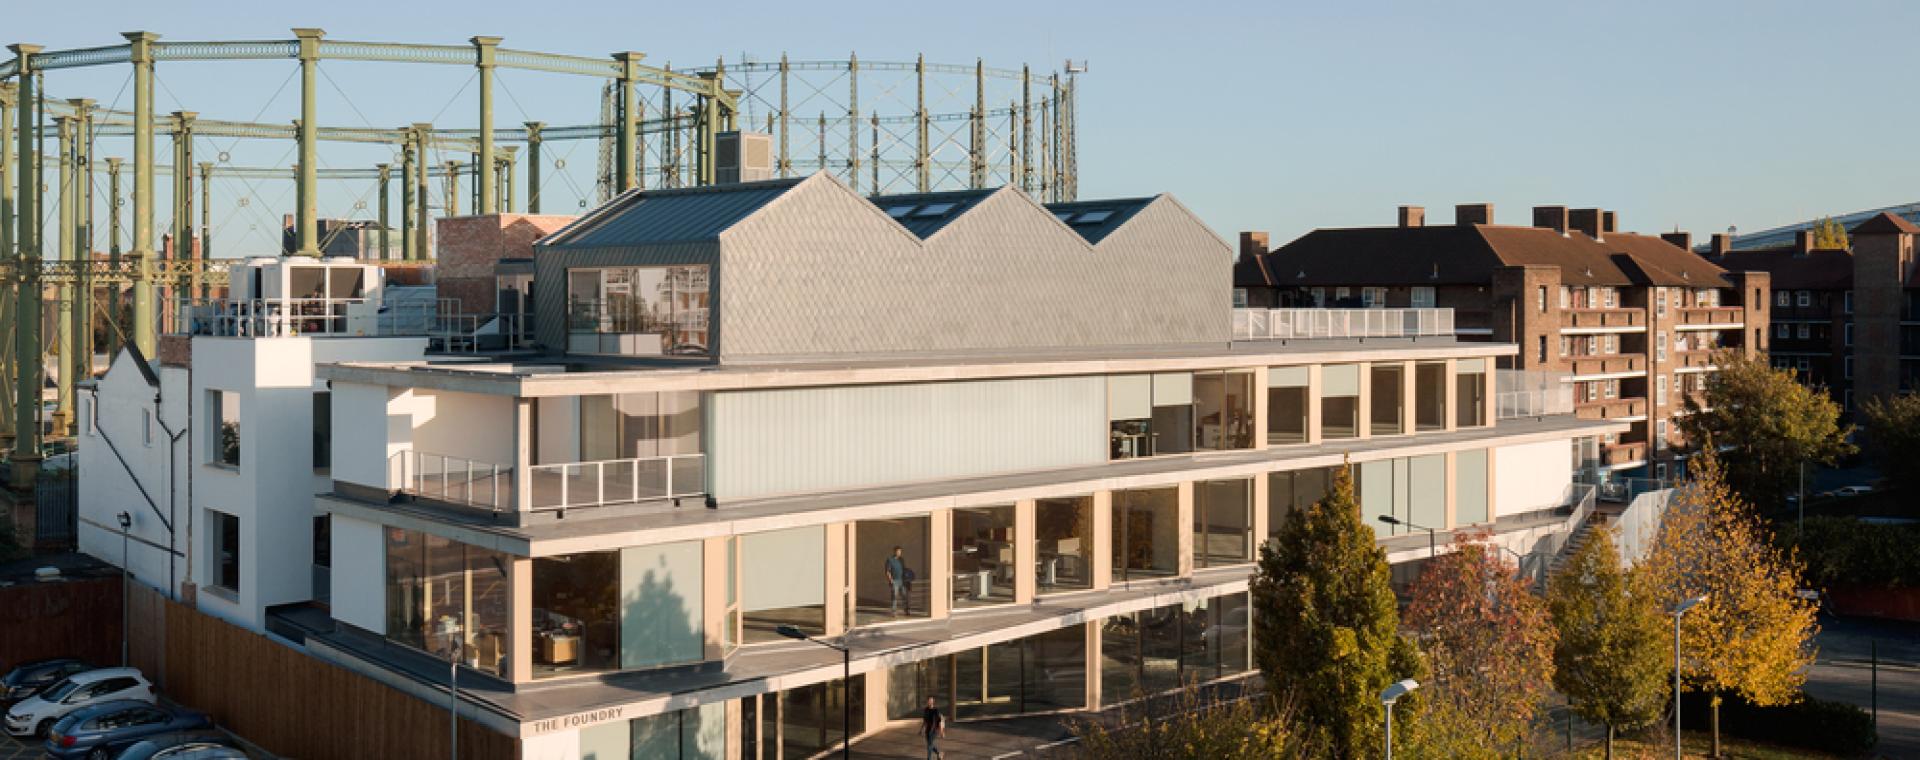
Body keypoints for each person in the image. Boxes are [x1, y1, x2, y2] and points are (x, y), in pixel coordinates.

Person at [885, 546, 912, 617]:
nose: (899, 553)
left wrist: (907, 579)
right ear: (894, 551)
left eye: (900, 551)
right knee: (894, 596)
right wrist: (891, 580)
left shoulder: (901, 560)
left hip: (902, 581)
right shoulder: (890, 560)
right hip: (895, 581)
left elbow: (904, 569)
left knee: (904, 596)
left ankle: (907, 610)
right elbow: (888, 571)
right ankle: (894, 612)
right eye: (898, 551)